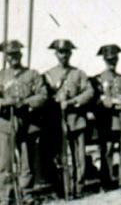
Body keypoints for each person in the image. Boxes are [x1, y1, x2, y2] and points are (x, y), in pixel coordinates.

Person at [44, 39, 94, 198]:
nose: (63, 55)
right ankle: (63, 188)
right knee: (61, 158)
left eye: (66, 52)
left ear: (70, 53)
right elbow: (43, 96)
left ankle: (78, 188)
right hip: (58, 123)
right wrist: (56, 101)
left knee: (79, 158)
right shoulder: (48, 75)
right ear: (55, 54)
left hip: (76, 121)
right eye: (60, 52)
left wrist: (72, 102)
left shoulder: (78, 73)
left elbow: (89, 92)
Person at [0, 40, 47, 204]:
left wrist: (26, 102)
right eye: (9, 55)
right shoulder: (1, 76)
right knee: (5, 162)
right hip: (6, 124)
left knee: (27, 161)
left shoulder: (32, 74)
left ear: (20, 55)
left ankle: (26, 193)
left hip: (28, 123)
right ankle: (6, 196)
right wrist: (6, 102)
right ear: (5, 57)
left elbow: (42, 95)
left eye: (15, 54)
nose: (13, 58)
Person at [93, 44, 121, 191]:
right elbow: (98, 99)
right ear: (104, 61)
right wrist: (111, 101)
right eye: (109, 60)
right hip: (108, 123)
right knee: (107, 152)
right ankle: (106, 183)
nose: (112, 63)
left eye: (114, 60)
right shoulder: (99, 80)